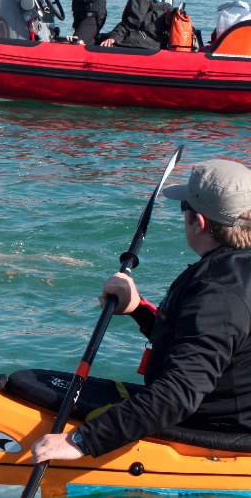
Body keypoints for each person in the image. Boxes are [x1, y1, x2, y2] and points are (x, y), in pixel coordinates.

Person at [32, 159, 251, 463]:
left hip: (219, 427)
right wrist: (139, 310)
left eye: (184, 208)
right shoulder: (233, 279)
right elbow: (225, 344)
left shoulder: (217, 291)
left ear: (198, 222)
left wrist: (82, 440)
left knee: (29, 383)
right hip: (232, 408)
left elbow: (178, 395)